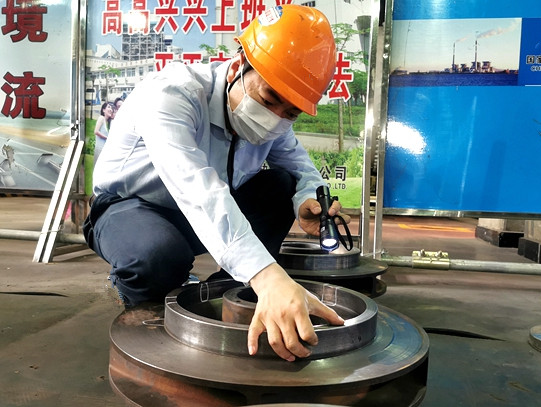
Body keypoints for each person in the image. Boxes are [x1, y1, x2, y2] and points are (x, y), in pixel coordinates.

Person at [83, 4, 350, 362]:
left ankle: (226, 293)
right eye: (269, 99)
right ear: (238, 67)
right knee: (157, 256)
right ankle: (145, 305)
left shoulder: (275, 122)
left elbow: (301, 167)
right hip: (130, 210)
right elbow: (197, 190)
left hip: (201, 216)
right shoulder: (171, 95)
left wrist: (307, 198)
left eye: (290, 113)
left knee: (281, 184)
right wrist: (268, 275)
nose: (274, 119)